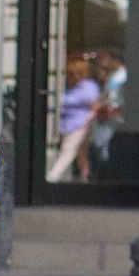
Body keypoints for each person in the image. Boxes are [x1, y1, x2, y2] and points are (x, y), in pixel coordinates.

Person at [48, 52, 100, 181]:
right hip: (67, 124)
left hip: (80, 125)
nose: (69, 77)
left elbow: (93, 106)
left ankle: (53, 176)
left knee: (69, 150)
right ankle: (85, 177)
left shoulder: (89, 88)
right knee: (80, 154)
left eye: (71, 74)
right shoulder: (72, 88)